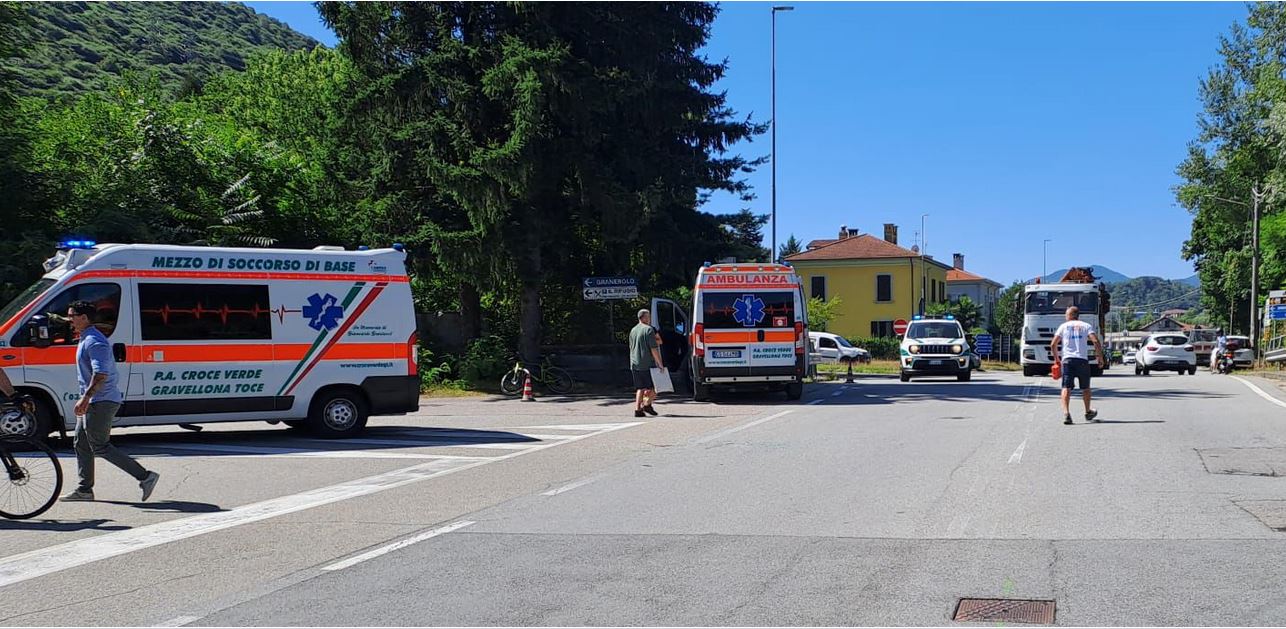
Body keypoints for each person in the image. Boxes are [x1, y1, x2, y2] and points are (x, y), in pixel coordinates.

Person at [61, 300, 160, 502]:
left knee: (99, 445)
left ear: (84, 318)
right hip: (95, 400)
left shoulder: (94, 341)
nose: (69, 320)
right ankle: (84, 490)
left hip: (101, 401)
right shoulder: (85, 337)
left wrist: (85, 399)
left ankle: (145, 476)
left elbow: (100, 374)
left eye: (72, 316)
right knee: (81, 443)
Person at [1049, 306, 1105, 425]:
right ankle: (1087, 411)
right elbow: (1095, 341)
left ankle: (1066, 414)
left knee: (1066, 387)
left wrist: (1057, 359)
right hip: (1082, 360)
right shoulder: (1086, 325)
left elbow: (1053, 344)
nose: (1065, 316)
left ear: (1070, 315)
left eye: (1066, 314)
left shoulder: (1063, 326)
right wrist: (1099, 357)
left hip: (1067, 361)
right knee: (1085, 388)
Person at [628, 309, 664, 418]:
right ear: (644, 317)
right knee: (656, 387)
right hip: (647, 363)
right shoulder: (648, 330)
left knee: (640, 388)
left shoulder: (633, 330)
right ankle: (647, 404)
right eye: (648, 317)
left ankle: (637, 409)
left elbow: (631, 346)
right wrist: (660, 363)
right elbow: (654, 349)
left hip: (634, 363)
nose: (649, 319)